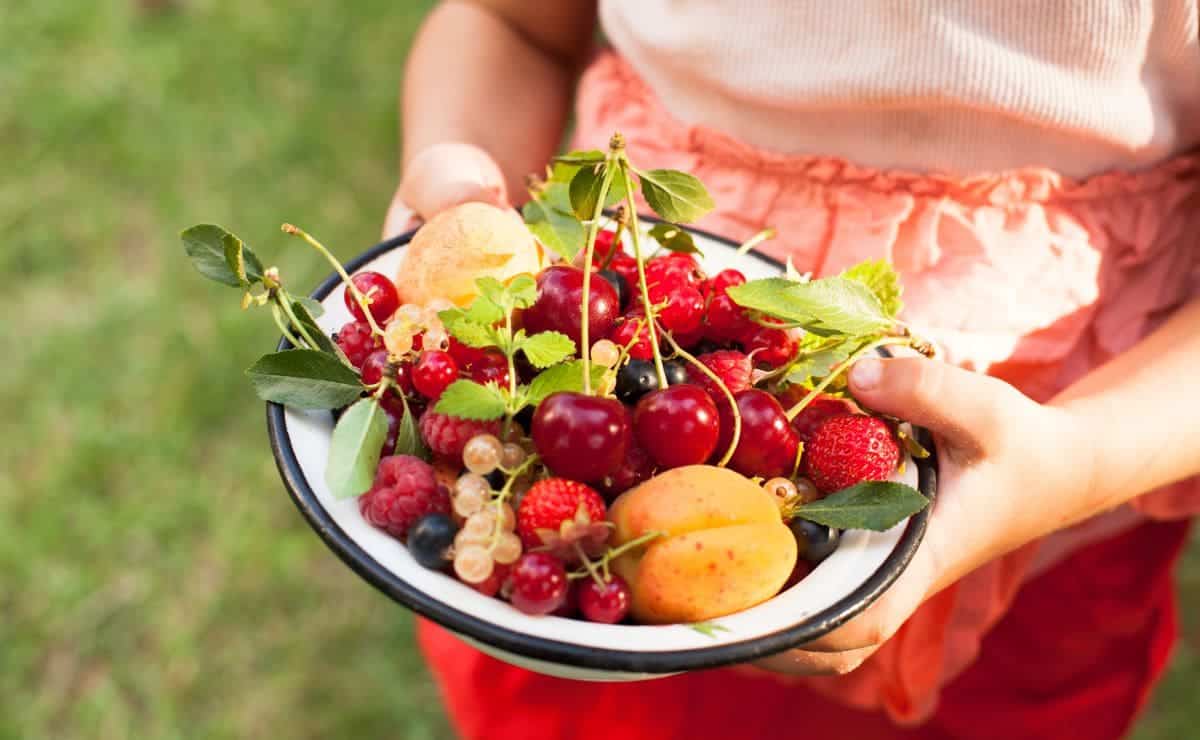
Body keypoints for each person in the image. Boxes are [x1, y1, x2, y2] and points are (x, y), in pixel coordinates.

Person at [383, 2, 1200, 738]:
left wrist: (1077, 459)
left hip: (1047, 513)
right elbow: (513, 21)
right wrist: (461, 184)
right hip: (575, 455)